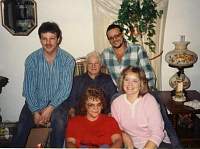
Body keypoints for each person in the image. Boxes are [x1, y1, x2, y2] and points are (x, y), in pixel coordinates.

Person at [11, 22, 75, 147]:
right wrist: (35, 111)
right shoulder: (32, 59)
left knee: (60, 122)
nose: (48, 42)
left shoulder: (68, 60)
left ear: (58, 39)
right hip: (35, 101)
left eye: (52, 38)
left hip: (58, 104)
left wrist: (50, 109)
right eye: (44, 39)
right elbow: (29, 89)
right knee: (21, 127)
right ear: (40, 39)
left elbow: (65, 89)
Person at [111, 66, 171, 149]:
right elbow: (116, 128)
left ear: (141, 84)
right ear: (122, 81)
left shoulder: (149, 100)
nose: (129, 84)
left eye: (135, 81)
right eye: (127, 79)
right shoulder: (116, 103)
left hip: (156, 143)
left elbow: (158, 133)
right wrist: (125, 136)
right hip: (131, 145)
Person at [101, 24, 156, 90]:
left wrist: (142, 94)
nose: (114, 39)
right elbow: (98, 70)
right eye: (111, 38)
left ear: (122, 35)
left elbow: (150, 76)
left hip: (137, 92)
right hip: (118, 95)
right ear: (109, 40)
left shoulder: (137, 50)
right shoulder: (106, 54)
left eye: (117, 36)